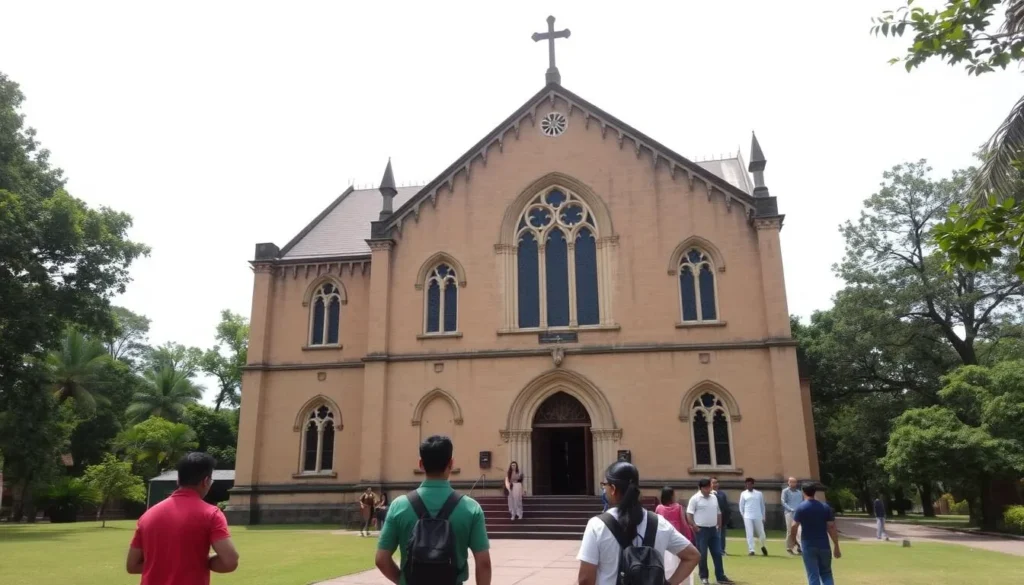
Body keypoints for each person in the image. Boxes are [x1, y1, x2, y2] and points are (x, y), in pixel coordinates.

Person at [375, 435, 491, 585]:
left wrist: (402, 580)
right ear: (451, 463)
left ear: (421, 464)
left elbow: (381, 559)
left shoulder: (399, 506)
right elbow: (484, 564)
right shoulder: (470, 508)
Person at [577, 462, 700, 585]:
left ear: (613, 489)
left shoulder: (597, 525)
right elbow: (692, 556)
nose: (604, 489)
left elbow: (585, 579)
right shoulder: (660, 524)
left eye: (605, 485)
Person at [126, 452, 239, 584]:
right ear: (206, 481)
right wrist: (201, 561)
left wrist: (166, 564)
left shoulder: (147, 515)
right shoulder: (211, 514)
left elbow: (132, 566)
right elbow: (230, 562)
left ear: (178, 480)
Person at [790, 482, 841, 585]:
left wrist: (793, 539)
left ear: (803, 492)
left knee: (813, 574)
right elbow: (831, 527)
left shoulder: (801, 508)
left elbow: (793, 525)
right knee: (826, 573)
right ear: (815, 492)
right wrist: (836, 545)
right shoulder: (825, 507)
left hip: (808, 544)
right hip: (824, 545)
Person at [686, 479, 733, 585]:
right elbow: (689, 513)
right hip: (701, 530)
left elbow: (718, 511)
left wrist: (719, 524)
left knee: (717, 553)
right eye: (706, 488)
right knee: (702, 554)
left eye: (709, 487)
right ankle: (704, 577)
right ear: (700, 488)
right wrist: (694, 526)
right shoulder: (695, 499)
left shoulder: (714, 497)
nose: (708, 490)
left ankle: (720, 577)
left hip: (713, 529)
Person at [738, 477, 767, 556]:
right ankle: (751, 549)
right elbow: (741, 506)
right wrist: (743, 515)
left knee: (761, 533)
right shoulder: (743, 494)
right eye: (747, 484)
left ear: (753, 485)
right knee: (749, 533)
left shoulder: (759, 494)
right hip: (747, 516)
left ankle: (763, 546)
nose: (748, 486)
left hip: (758, 515)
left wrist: (763, 516)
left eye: (750, 484)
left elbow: (762, 506)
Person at [782, 477, 804, 554]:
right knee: (790, 530)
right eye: (791, 482)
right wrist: (790, 509)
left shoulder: (799, 492)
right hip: (789, 513)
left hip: (798, 513)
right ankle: (789, 547)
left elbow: (802, 502)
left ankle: (800, 547)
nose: (793, 484)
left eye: (794, 482)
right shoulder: (785, 491)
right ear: (788, 482)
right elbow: (783, 502)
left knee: (800, 530)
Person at [710, 477, 731, 555]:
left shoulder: (722, 494)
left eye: (716, 482)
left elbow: (725, 506)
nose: (715, 484)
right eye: (713, 483)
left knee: (722, 535)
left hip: (722, 517)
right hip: (712, 518)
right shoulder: (708, 494)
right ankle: (714, 550)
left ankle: (722, 549)